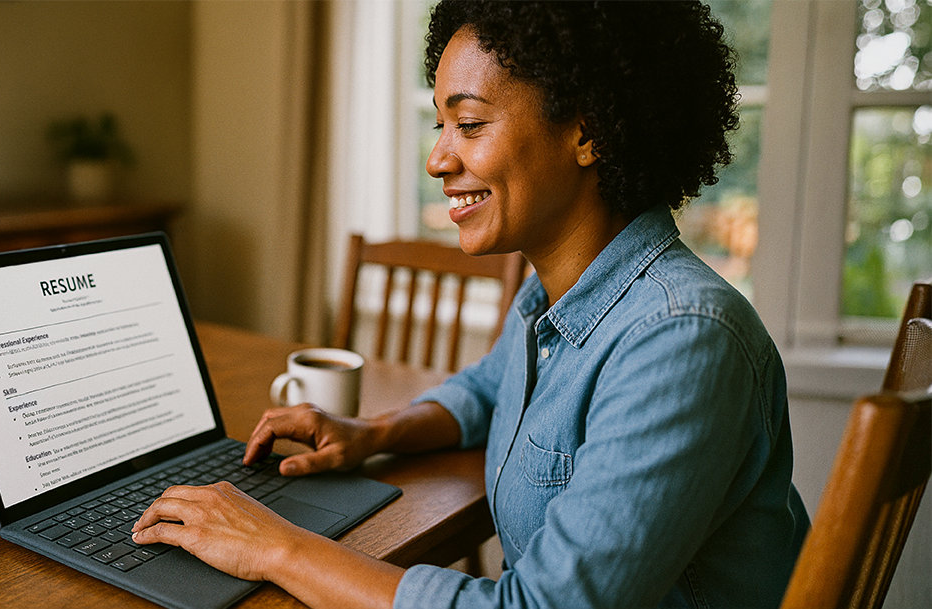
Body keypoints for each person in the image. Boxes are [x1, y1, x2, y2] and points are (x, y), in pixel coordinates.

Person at [131, 2, 811, 608]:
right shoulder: (558, 291)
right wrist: (375, 432)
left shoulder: (681, 339)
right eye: (440, 124)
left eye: (469, 123)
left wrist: (275, 546)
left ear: (587, 129)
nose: (436, 158)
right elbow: (489, 389)